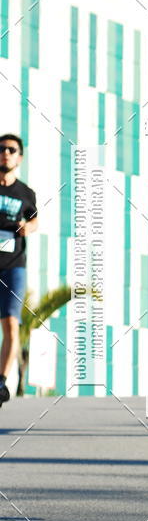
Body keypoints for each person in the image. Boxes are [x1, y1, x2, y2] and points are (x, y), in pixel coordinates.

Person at [0, 134, 37, 406]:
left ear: (19, 158)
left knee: (11, 322)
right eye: (1, 149)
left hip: (14, 266)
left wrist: (29, 227)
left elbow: (35, 221)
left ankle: (1, 381)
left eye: (11, 150)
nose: (5, 154)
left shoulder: (26, 193)